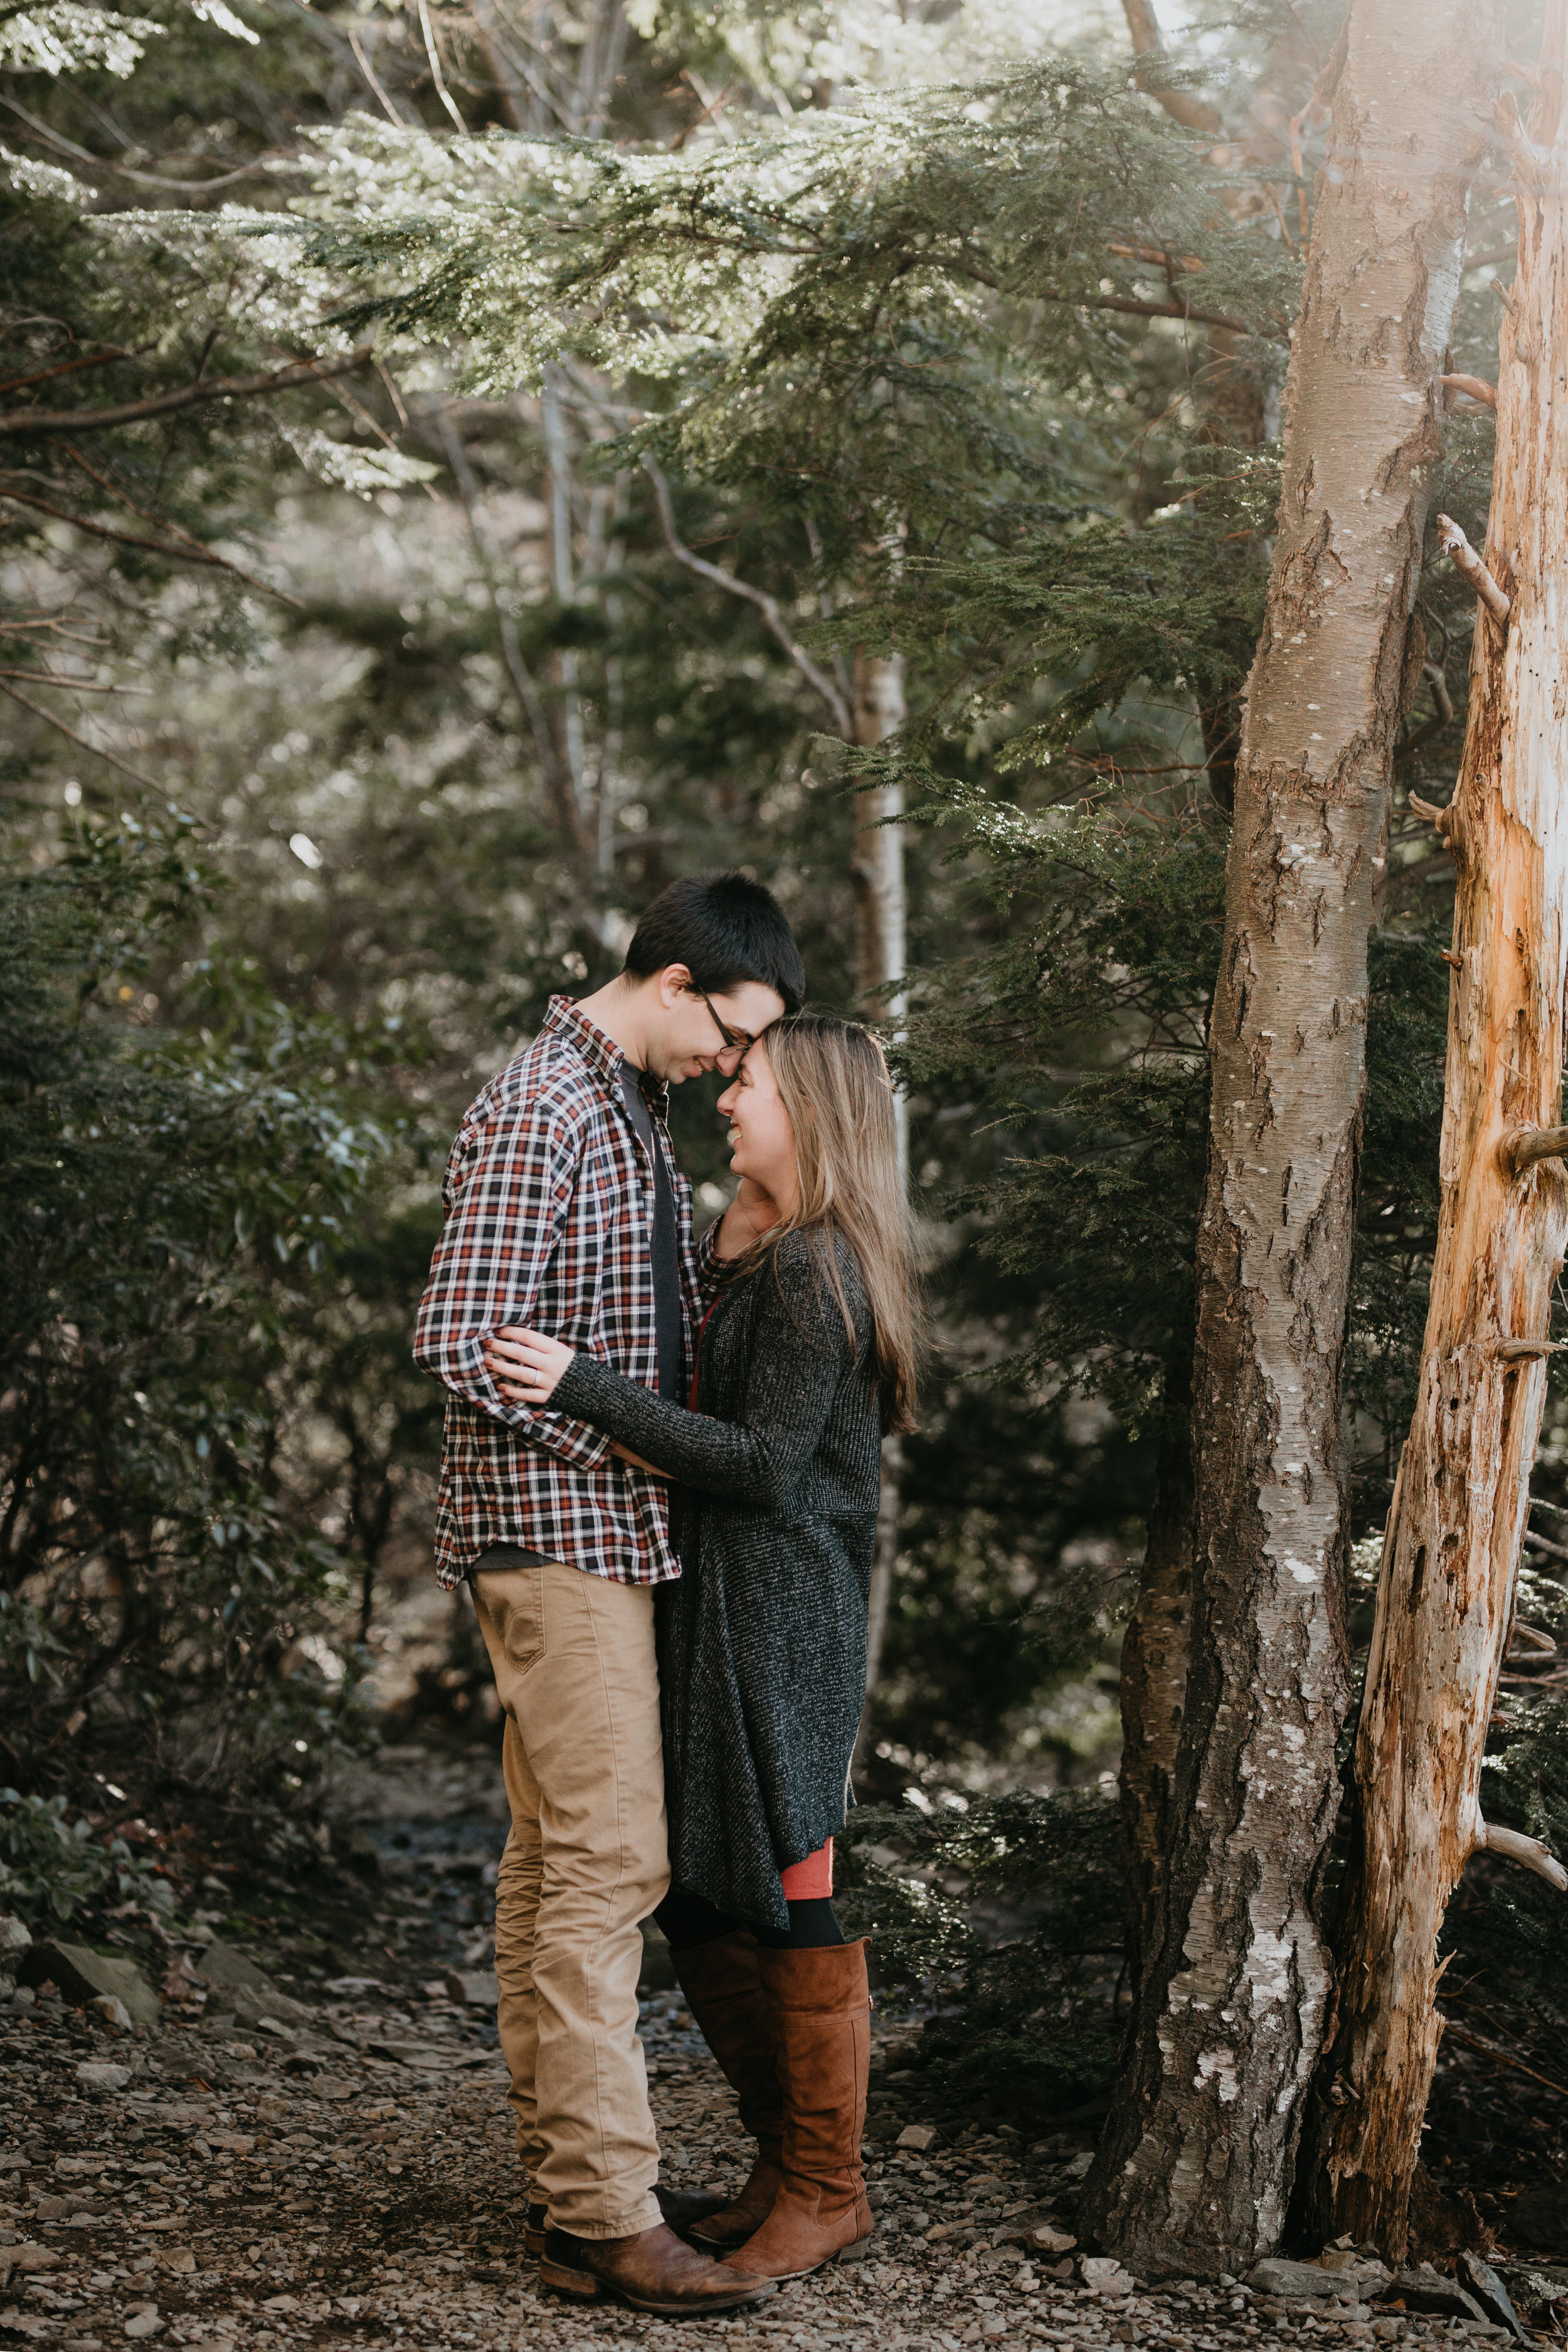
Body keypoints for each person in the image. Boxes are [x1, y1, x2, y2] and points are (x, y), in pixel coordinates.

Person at [413, 871, 804, 2321]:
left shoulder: (623, 1102)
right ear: (681, 979)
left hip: (602, 1532)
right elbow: (463, 1335)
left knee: (550, 1866)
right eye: (734, 1032)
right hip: (559, 1532)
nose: (731, 1067)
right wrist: (611, 1427)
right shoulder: (545, 1107)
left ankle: (567, 2188)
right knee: (608, 1865)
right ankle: (601, 2215)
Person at [483, 1014, 922, 2286]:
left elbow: (758, 1463)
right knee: (703, 1882)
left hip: (780, 1610)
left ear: (818, 1119)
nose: (730, 1102)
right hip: (717, 1593)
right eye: (731, 1079)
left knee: (790, 1877)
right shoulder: (748, 1246)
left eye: (754, 1088)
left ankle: (828, 2190)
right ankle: (786, 2166)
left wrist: (579, 1388)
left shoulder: (816, 1269)